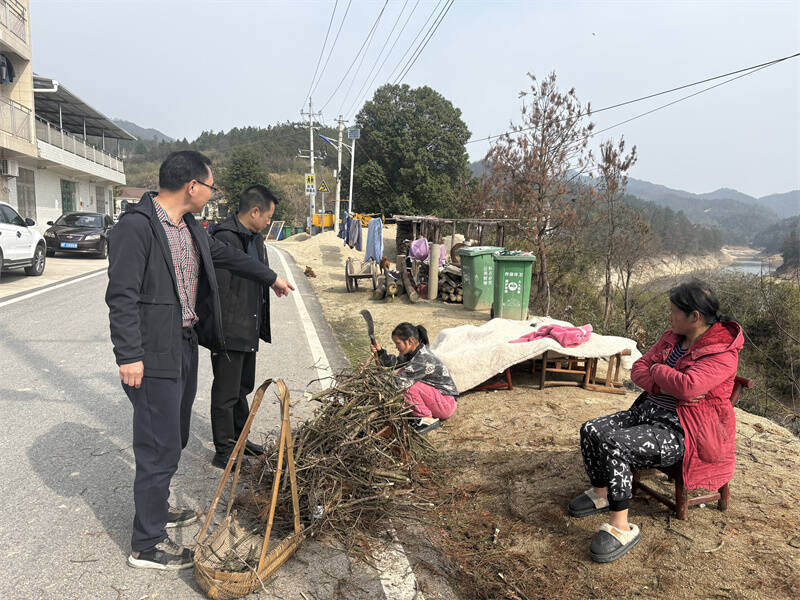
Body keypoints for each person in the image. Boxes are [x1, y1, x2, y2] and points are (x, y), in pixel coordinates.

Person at [105, 151, 294, 571]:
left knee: (176, 435)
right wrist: (129, 355)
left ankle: (157, 510)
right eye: (210, 186)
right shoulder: (136, 228)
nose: (212, 194)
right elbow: (121, 298)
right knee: (159, 444)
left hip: (184, 344)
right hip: (152, 353)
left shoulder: (189, 227)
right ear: (192, 186)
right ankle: (146, 544)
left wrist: (272, 277)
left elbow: (227, 258)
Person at [567, 280, 742, 563]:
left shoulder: (722, 353)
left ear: (694, 316)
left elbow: (689, 387)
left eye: (673, 311)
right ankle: (601, 491)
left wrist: (658, 370)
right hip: (646, 413)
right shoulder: (672, 337)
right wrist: (663, 383)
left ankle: (621, 526)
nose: (669, 316)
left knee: (614, 444)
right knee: (591, 429)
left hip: (683, 430)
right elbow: (638, 369)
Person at [205, 185, 277, 468]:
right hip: (229, 328)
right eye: (268, 216)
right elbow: (218, 291)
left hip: (249, 324)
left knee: (242, 386)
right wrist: (219, 333)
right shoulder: (224, 237)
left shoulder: (256, 238)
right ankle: (223, 451)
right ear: (255, 211)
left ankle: (239, 437)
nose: (269, 221)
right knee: (225, 391)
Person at [370, 322, 458, 433]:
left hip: (446, 404)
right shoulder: (413, 353)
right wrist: (380, 352)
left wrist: (374, 381)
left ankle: (426, 418)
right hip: (438, 400)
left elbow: (398, 383)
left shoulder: (423, 359)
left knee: (407, 385)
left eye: (397, 343)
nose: (396, 347)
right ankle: (421, 412)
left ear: (410, 341)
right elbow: (394, 363)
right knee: (403, 373)